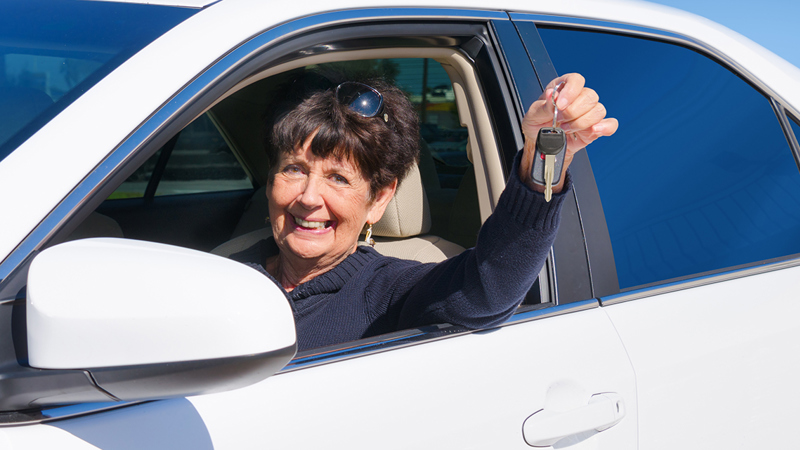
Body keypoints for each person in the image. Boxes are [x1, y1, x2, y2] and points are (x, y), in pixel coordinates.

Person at [231, 73, 618, 351]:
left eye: (338, 178)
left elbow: (488, 287)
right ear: (270, 180)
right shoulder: (229, 270)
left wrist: (543, 161)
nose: (309, 197)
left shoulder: (386, 292)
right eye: (294, 169)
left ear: (379, 201)